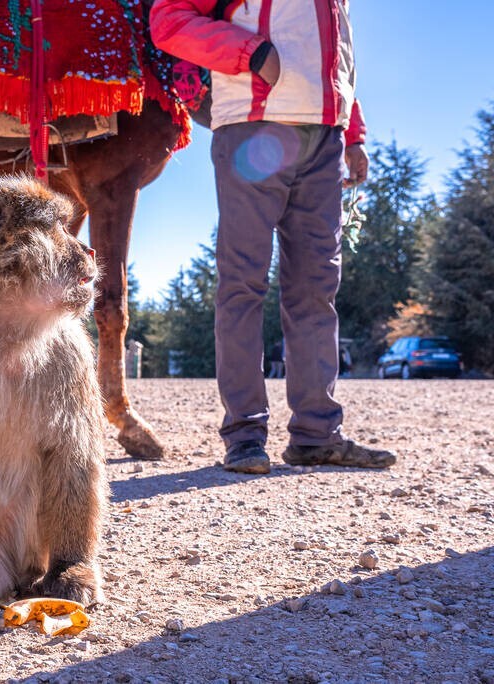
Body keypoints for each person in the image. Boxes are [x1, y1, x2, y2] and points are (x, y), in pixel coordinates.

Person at [149, 0, 396, 474]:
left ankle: (316, 435)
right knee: (243, 284)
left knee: (316, 290)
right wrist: (252, 53)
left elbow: (334, 53)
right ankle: (244, 436)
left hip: (325, 139)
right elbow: (169, 19)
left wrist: (354, 134)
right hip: (252, 129)